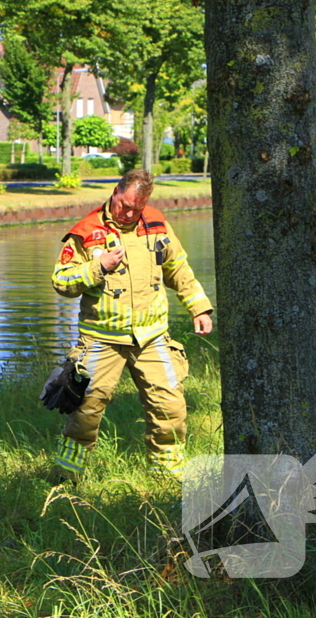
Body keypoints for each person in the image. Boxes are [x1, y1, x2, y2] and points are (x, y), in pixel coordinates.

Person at [50, 169, 213, 480]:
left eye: (136, 208)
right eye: (124, 205)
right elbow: (61, 281)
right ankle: (66, 479)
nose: (128, 213)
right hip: (101, 337)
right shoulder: (86, 231)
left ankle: (167, 478)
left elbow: (178, 268)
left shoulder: (155, 222)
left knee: (171, 408)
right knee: (85, 410)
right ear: (115, 192)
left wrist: (199, 308)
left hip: (151, 336)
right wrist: (98, 266)